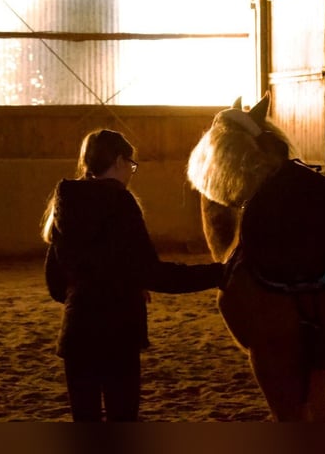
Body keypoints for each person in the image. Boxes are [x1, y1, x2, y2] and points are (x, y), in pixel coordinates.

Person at [41, 128, 224, 422]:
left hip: (76, 333)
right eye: (132, 164)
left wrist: (87, 295)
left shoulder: (65, 203)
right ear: (118, 161)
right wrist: (218, 273)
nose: (132, 172)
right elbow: (151, 272)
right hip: (117, 330)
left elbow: (55, 282)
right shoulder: (120, 203)